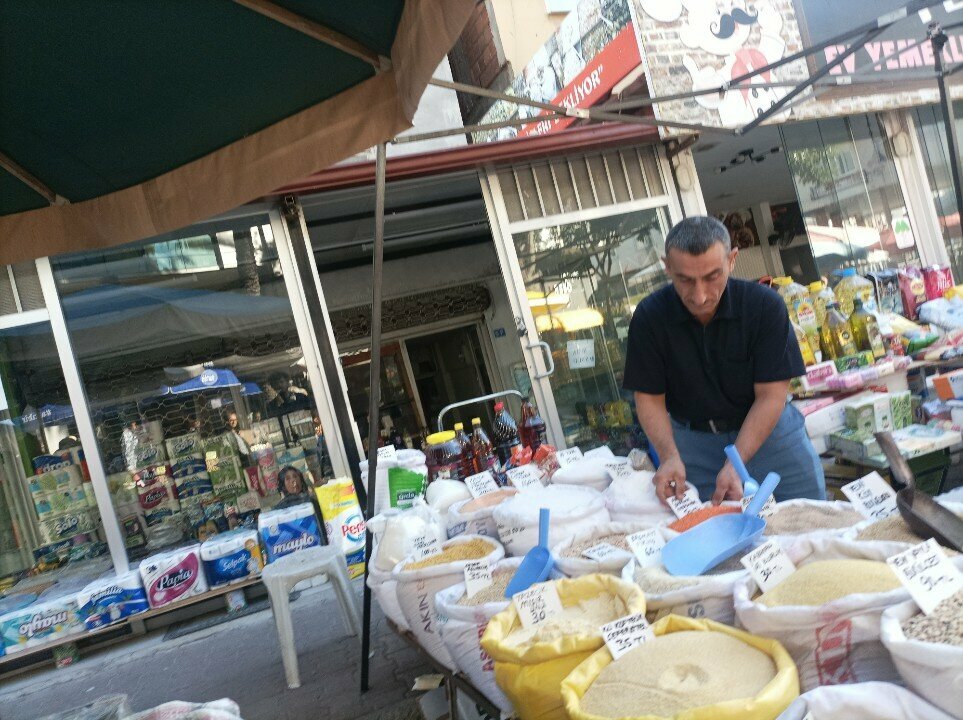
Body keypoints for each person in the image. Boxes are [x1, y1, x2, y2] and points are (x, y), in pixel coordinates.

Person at [623, 216, 825, 505]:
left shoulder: (764, 307)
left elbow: (770, 396)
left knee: (814, 519)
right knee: (719, 535)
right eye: (685, 280)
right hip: (695, 444)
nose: (700, 295)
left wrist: (735, 464)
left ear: (732, 260)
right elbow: (649, 399)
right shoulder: (650, 317)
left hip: (772, 434)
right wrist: (668, 456)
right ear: (666, 267)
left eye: (711, 276)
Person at [273, 465, 327, 543]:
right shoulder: (279, 509)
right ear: (283, 485)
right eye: (288, 479)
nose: (293, 480)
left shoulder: (312, 502)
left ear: (301, 481)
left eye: (295, 476)